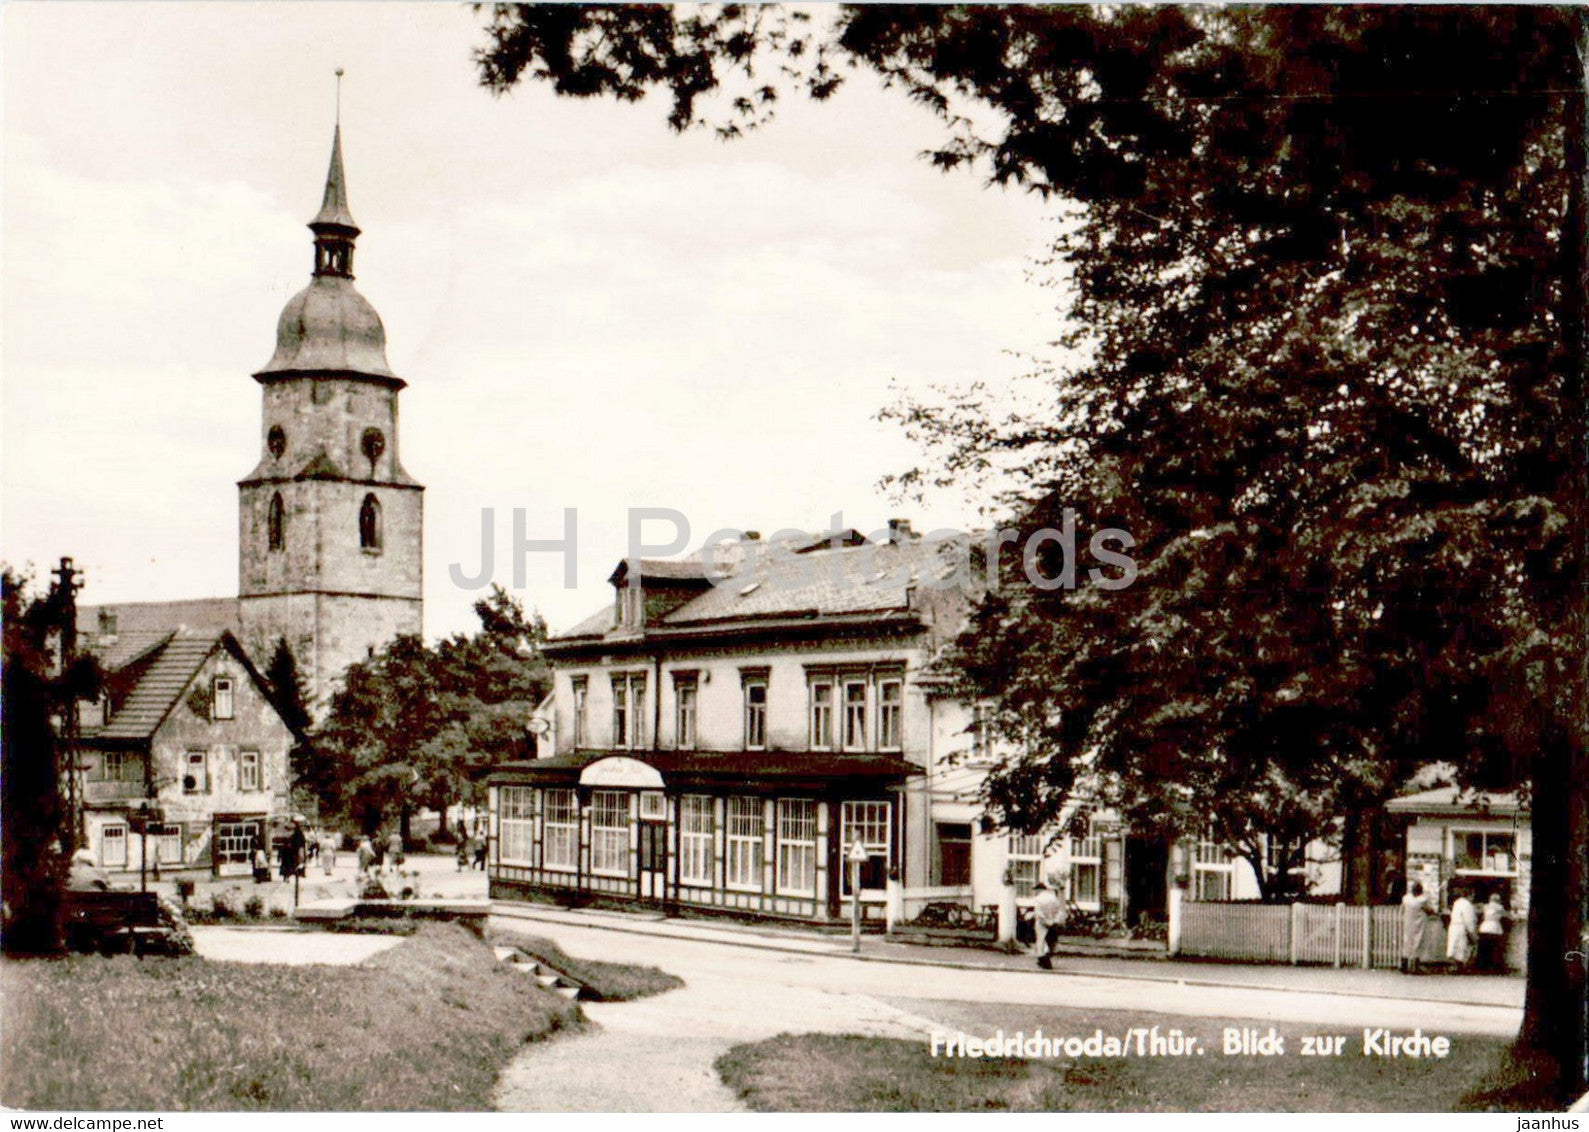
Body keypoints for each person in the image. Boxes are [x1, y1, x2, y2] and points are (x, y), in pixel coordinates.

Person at [1400, 880, 1435, 974]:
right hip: (1419, 924)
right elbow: (1430, 910)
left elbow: (1402, 909)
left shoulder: (1406, 899)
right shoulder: (1423, 900)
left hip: (1408, 923)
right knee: (1417, 943)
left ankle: (1404, 966)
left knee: (1407, 943)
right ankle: (1415, 967)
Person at [1032, 879, 1067, 969]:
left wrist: (1045, 921)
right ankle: (1044, 959)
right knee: (1051, 941)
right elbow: (1059, 911)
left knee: (1041, 941)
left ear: (1039, 890)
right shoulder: (1053, 898)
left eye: (1036, 890)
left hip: (1042, 924)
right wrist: (1055, 921)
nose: (1035, 892)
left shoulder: (1038, 899)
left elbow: (1039, 913)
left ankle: (1044, 961)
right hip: (1053, 922)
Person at [1447, 888, 1478, 970]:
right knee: (1462, 948)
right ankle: (1460, 967)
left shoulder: (1457, 902)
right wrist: (1472, 932)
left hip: (1453, 926)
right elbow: (1469, 920)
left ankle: (1455, 966)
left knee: (1454, 947)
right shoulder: (1468, 905)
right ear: (1470, 895)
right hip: (1462, 928)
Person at [1477, 892, 1508, 973]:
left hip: (1484, 928)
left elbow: (1478, 912)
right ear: (1498, 900)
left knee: (1483, 949)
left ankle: (1482, 967)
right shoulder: (1500, 907)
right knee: (1494, 949)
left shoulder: (1485, 906)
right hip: (1495, 929)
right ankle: (1493, 968)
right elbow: (1507, 915)